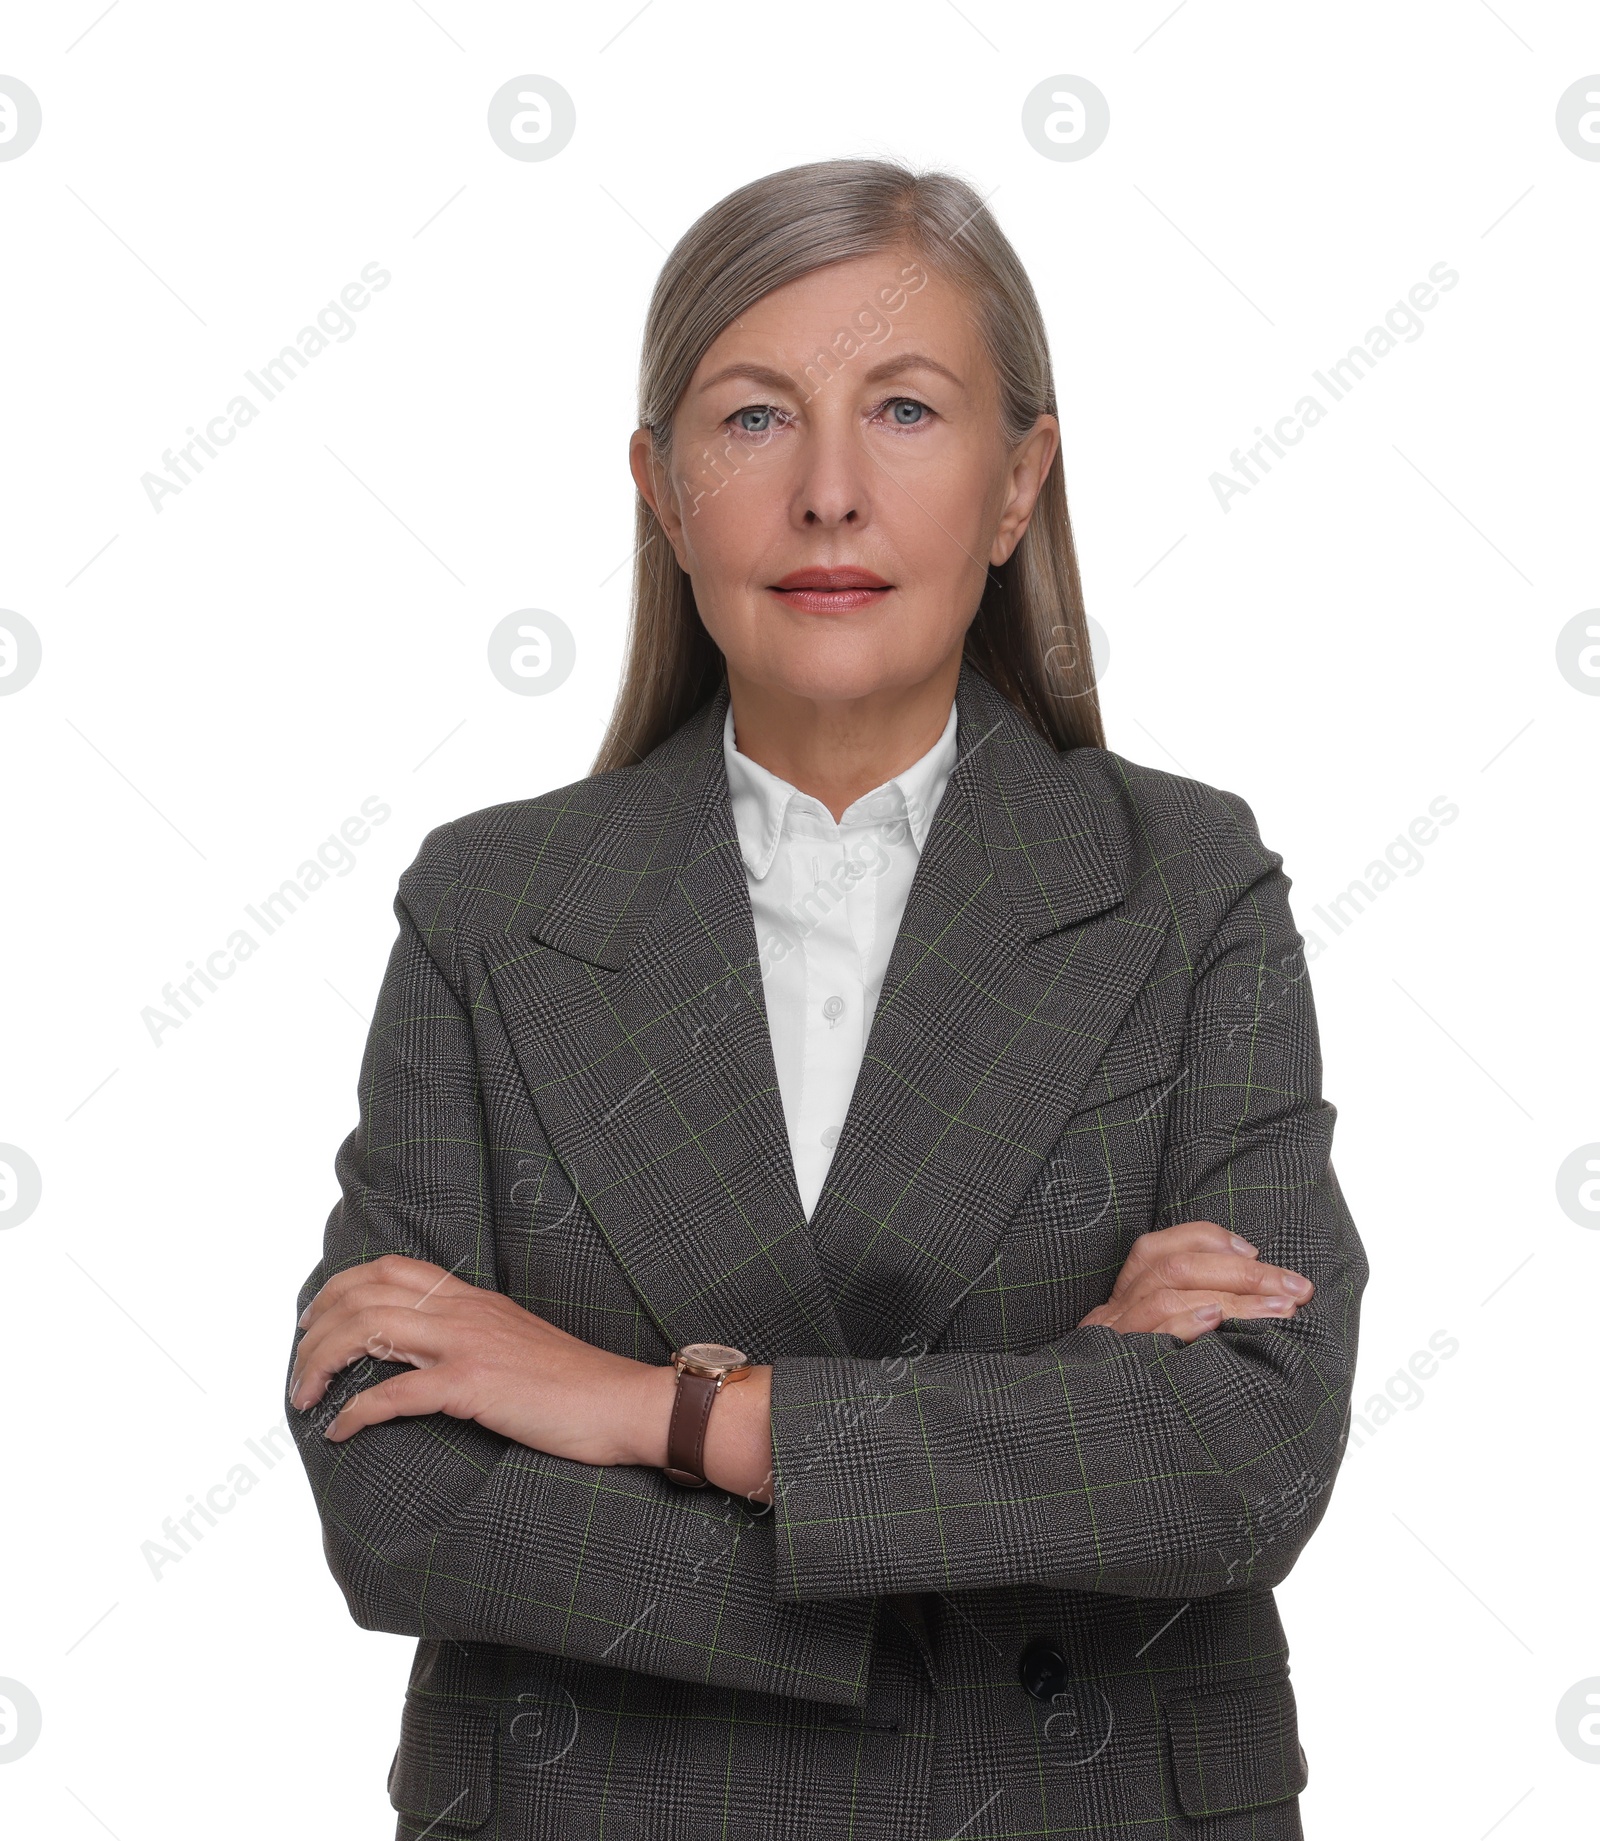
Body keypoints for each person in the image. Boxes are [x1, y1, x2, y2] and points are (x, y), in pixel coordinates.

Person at [286, 156, 1369, 1841]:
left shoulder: (1186, 884)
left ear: (1021, 484)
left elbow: (1243, 1457)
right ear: (662, 489)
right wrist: (1027, 1457)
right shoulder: (488, 909)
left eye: (910, 412)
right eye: (755, 419)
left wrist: (657, 1407)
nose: (832, 496)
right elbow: (400, 1491)